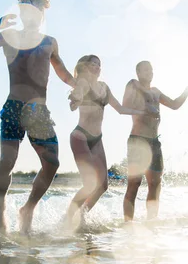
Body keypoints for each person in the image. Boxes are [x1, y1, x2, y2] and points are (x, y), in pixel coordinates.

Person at [0, 0, 75, 234]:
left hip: (38, 111)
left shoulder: (49, 42)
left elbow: (63, 73)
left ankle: (28, 208)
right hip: (14, 107)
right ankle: (0, 207)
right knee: (7, 161)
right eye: (29, 8)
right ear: (21, 12)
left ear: (42, 14)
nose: (34, 13)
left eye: (39, 10)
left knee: (51, 163)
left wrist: (81, 86)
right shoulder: (9, 37)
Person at [64, 55, 155, 230]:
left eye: (99, 65)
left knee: (103, 185)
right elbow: (77, 94)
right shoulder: (83, 83)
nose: (97, 67)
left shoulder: (104, 87)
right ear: (84, 67)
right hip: (80, 136)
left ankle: (82, 214)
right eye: (93, 64)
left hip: (97, 139)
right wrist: (75, 99)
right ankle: (68, 219)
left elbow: (120, 109)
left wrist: (143, 112)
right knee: (90, 183)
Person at [122, 61, 188, 221]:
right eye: (146, 69)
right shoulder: (133, 84)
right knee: (134, 183)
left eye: (151, 70)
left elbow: (174, 105)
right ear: (138, 72)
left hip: (154, 142)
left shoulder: (156, 91)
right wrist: (145, 110)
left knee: (155, 184)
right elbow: (124, 106)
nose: (150, 72)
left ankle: (151, 222)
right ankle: (128, 225)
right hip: (138, 140)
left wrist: (187, 90)